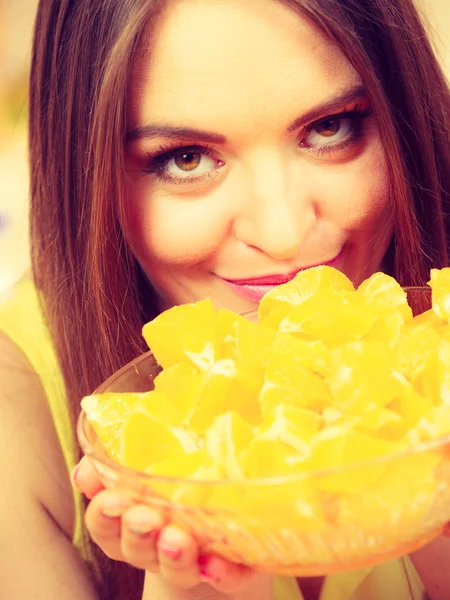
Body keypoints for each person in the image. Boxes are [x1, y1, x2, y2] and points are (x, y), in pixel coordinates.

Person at [2, 0, 450, 598]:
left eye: (331, 126)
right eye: (185, 159)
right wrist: (197, 585)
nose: (284, 232)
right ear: (88, 174)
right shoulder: (15, 405)